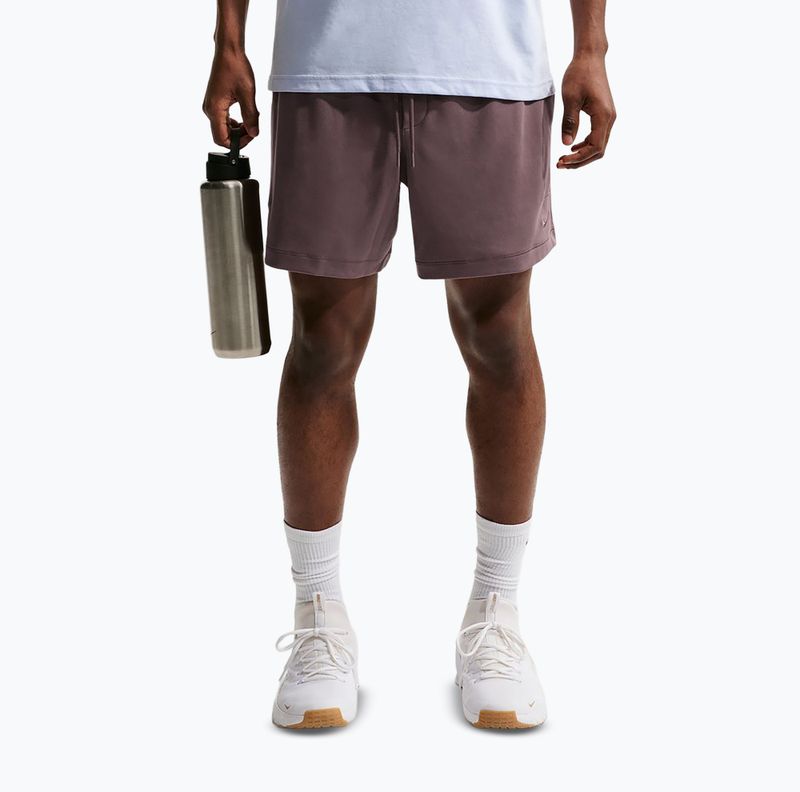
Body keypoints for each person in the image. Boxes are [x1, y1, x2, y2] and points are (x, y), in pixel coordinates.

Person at [203, 0, 615, 731]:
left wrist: (593, 47)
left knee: (499, 336)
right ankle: (318, 617)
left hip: (489, 64)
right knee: (323, 342)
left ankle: (496, 612)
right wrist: (227, 41)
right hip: (328, 62)